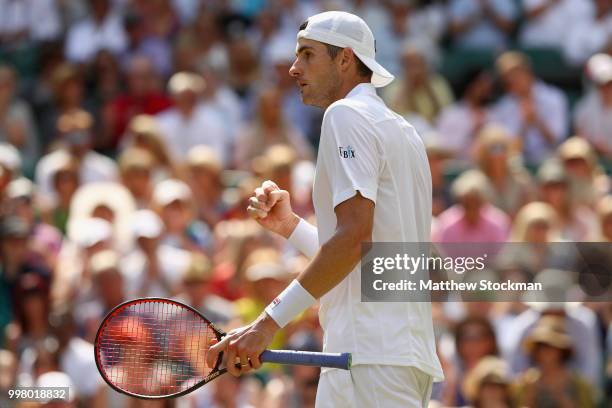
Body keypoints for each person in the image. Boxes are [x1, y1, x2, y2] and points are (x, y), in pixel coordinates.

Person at [208, 11, 444, 407]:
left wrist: (267, 324)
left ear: (346, 60)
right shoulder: (404, 130)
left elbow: (353, 241)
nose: (293, 67)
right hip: (397, 360)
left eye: (308, 54)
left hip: (366, 361)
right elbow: (369, 259)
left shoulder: (345, 115)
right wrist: (290, 226)